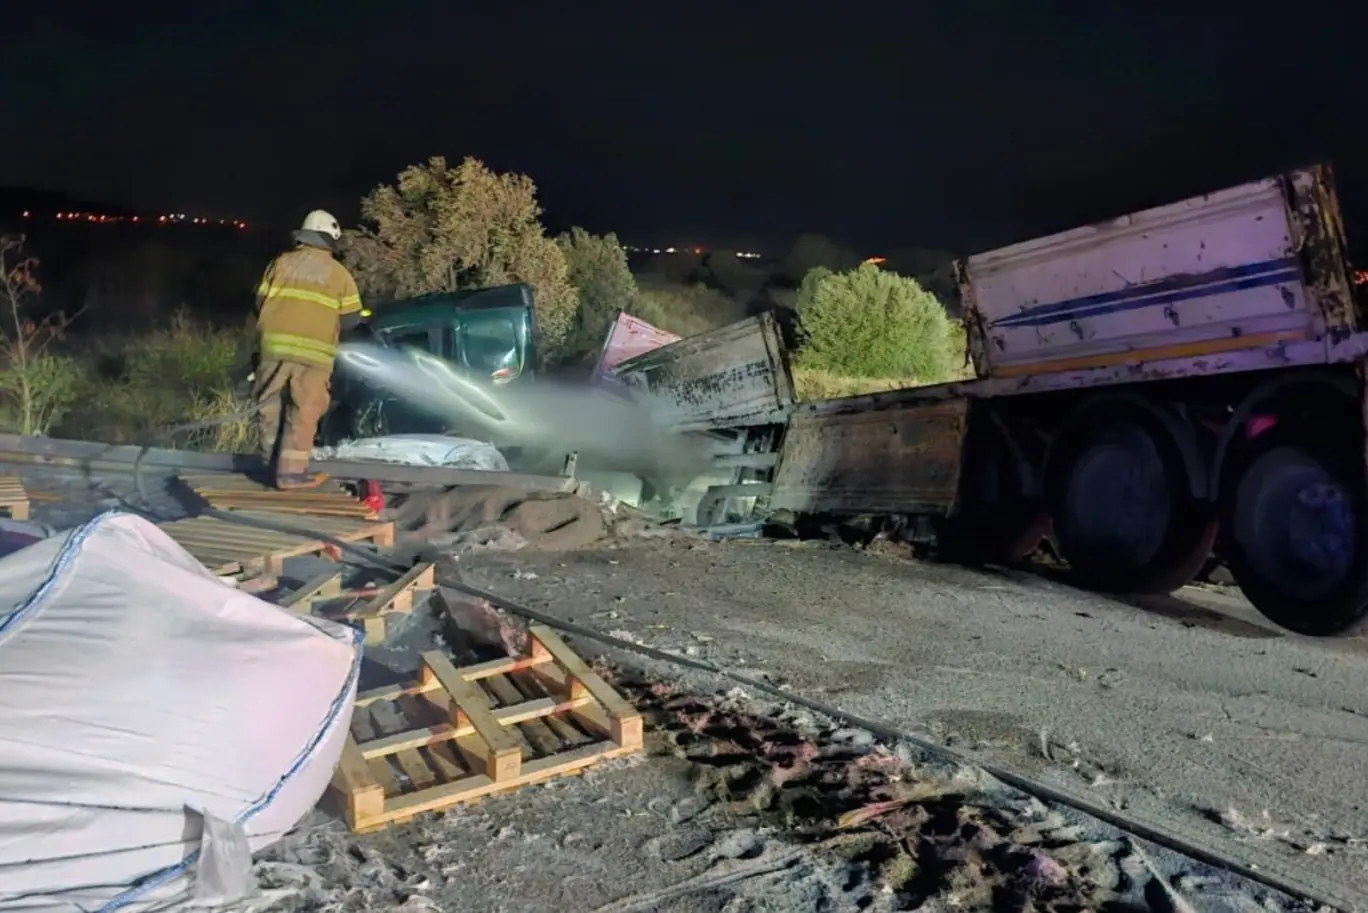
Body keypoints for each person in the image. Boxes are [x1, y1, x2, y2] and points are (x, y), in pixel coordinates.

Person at [249, 209, 365, 490]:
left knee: (269, 406)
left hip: (273, 350)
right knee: (304, 411)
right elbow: (351, 319)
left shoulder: (279, 264)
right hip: (313, 356)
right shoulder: (339, 275)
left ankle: (269, 467)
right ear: (330, 240)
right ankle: (289, 474)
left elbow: (259, 303)